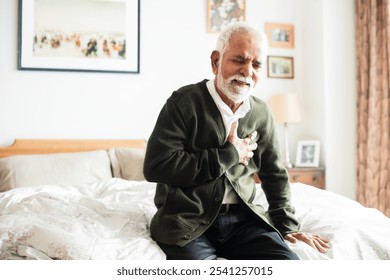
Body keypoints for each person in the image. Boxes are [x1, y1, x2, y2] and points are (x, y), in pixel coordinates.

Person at [143, 22, 329, 260]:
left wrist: (288, 227)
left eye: (257, 64)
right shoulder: (183, 103)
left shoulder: (261, 113)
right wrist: (228, 154)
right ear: (215, 61)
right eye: (239, 60)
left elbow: (275, 174)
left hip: (244, 221)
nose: (247, 71)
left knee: (288, 265)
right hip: (186, 221)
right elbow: (156, 166)